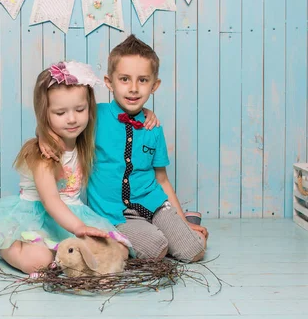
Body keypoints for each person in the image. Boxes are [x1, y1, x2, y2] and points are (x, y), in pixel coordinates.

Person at [40, 35, 208, 262]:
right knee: (155, 249)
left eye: (143, 80)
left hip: (154, 203)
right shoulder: (93, 116)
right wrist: (43, 136)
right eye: (125, 79)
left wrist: (181, 219)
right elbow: (62, 119)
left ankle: (183, 223)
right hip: (114, 213)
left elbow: (162, 180)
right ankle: (159, 234)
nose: (133, 89)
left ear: (154, 85)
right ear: (109, 82)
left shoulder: (153, 128)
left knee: (194, 251)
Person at [0, 61, 132, 274]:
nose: (72, 119)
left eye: (79, 109)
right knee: (39, 263)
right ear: (45, 115)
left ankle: (62, 254)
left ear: (89, 108)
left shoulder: (82, 142)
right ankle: (9, 246)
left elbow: (123, 115)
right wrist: (79, 228)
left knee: (119, 251)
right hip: (40, 215)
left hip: (72, 213)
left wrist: (147, 114)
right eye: (60, 113)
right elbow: (51, 200)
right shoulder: (43, 153)